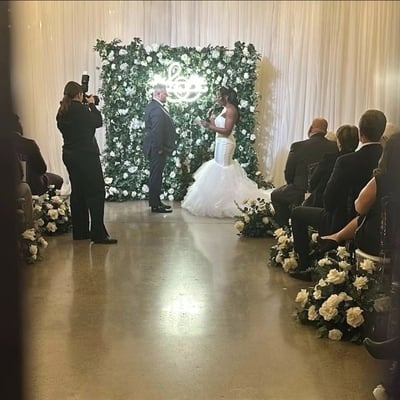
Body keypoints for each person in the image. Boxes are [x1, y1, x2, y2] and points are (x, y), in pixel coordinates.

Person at [290, 109, 387, 281]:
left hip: (341, 221)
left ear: (361, 134)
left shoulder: (346, 161)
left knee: (297, 213)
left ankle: (304, 265)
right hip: (374, 224)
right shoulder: (387, 162)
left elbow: (329, 199)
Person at [181, 86, 272, 218]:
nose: (217, 98)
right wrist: (211, 120)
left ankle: (226, 202)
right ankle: (216, 200)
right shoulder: (225, 109)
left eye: (219, 96)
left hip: (226, 143)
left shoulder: (231, 110)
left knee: (223, 170)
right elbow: (220, 127)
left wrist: (209, 126)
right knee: (218, 169)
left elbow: (227, 131)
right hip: (220, 142)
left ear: (227, 97)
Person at [56, 81, 117, 244]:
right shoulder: (82, 110)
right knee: (96, 192)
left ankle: (81, 231)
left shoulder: (62, 111)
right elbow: (97, 122)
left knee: (78, 192)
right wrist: (92, 105)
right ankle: (98, 233)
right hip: (86, 156)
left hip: (69, 155)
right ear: (79, 95)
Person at [270, 117, 338, 227]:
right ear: (325, 131)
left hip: (299, 190)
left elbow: (289, 172)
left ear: (310, 128)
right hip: (323, 191)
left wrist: (291, 184)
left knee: (276, 195)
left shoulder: (297, 146)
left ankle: (284, 228)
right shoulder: (334, 147)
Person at [303, 124, 359, 208]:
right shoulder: (360, 160)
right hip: (352, 208)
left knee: (297, 213)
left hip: (324, 206)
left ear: (339, 142)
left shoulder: (330, 159)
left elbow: (313, 182)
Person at [143, 83, 177, 213]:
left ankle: (156, 202)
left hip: (156, 148)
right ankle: (155, 205)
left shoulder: (154, 106)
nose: (167, 95)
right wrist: (159, 148)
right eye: (165, 93)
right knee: (156, 176)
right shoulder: (156, 109)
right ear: (158, 94)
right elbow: (156, 131)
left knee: (156, 175)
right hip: (157, 149)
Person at [11, 113, 63, 196]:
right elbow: (42, 168)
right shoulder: (29, 144)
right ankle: (51, 206)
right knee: (58, 179)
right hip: (34, 185)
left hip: (9, 186)